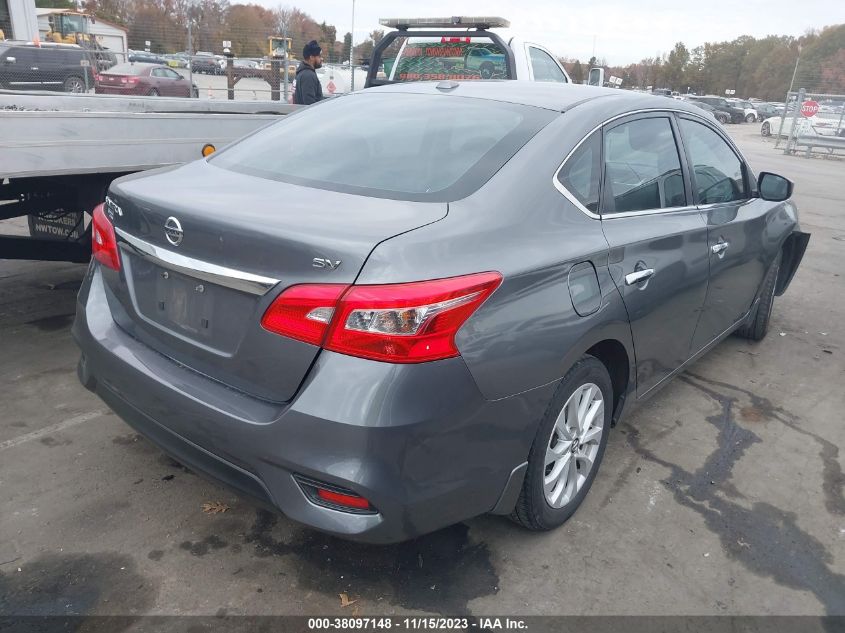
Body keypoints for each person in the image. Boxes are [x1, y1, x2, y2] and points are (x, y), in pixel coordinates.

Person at [293, 40, 324, 105]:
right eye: (319, 56)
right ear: (311, 57)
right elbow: (310, 105)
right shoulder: (308, 76)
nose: (322, 59)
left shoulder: (302, 72)